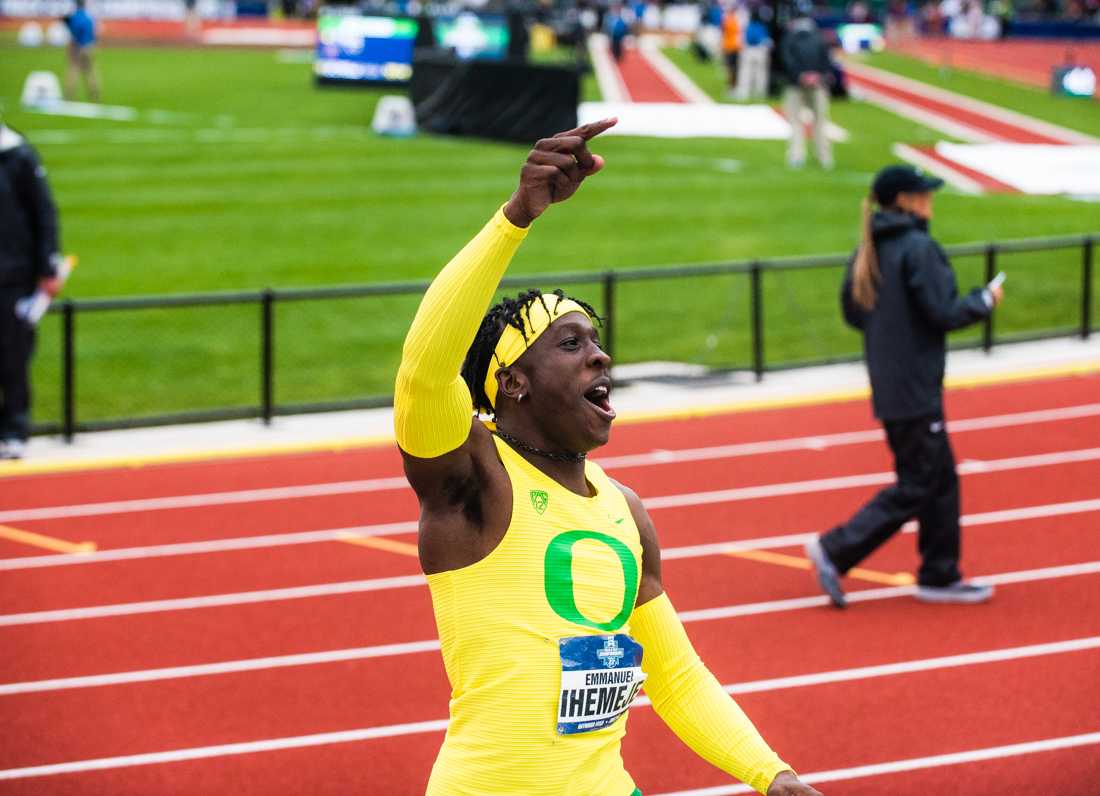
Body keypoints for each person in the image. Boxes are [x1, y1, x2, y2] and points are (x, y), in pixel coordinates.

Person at [394, 118, 822, 796]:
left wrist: (773, 776)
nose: (601, 356)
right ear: (513, 382)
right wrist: (515, 219)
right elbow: (424, 371)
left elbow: (677, 679)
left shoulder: (626, 511)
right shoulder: (473, 479)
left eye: (596, 341)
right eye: (570, 344)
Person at [804, 165, 1004, 609]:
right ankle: (836, 549)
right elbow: (943, 312)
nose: (931, 200)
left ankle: (939, 573)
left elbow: (854, 314)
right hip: (915, 388)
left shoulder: (869, 248)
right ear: (906, 201)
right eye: (924, 194)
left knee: (940, 479)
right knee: (920, 482)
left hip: (892, 385)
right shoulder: (918, 247)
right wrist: (983, 300)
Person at [0, 119, 61, 460]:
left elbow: (43, 212)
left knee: (12, 357)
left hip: (12, 276)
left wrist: (47, 267)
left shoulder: (18, 156)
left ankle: (13, 429)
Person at [779, 9, 832, 169]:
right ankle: (824, 157)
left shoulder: (789, 37)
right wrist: (818, 76)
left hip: (795, 85)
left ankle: (796, 156)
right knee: (820, 122)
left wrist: (800, 76)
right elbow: (827, 60)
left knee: (796, 122)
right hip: (817, 85)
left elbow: (785, 59)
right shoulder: (820, 37)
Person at [63, 0, 100, 102]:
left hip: (76, 46)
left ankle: (68, 95)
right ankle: (95, 96)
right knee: (90, 71)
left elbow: (71, 31)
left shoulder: (73, 18)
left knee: (73, 70)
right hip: (88, 46)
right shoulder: (89, 18)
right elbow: (94, 34)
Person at [736, 11, 772, 100]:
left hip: (749, 50)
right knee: (761, 73)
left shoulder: (748, 26)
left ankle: (744, 92)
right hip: (760, 50)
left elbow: (744, 39)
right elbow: (766, 40)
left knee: (746, 72)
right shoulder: (762, 27)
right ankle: (760, 93)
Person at [720, 1, 742, 97]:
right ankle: (731, 87)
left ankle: (732, 87)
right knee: (731, 69)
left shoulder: (731, 19)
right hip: (730, 46)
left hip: (732, 47)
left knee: (732, 69)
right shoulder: (730, 19)